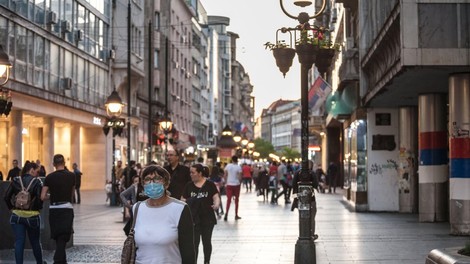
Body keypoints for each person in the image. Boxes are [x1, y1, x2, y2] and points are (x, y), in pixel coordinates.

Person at [133, 165, 196, 264]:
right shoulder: (137, 208)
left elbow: (188, 250)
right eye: (147, 179)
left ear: (166, 183)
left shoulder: (180, 208)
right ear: (143, 184)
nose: (152, 183)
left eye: (157, 179)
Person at [4, 161, 45, 264]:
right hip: (32, 217)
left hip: (16, 216)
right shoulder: (37, 182)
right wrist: (38, 208)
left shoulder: (16, 180)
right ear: (31, 170)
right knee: (35, 242)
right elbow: (40, 201)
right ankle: (40, 262)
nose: (38, 174)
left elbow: (6, 197)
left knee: (19, 242)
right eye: (37, 171)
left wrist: (12, 208)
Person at [41, 154, 75, 264]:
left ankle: (60, 261)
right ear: (64, 163)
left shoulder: (49, 177)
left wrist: (52, 195)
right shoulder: (71, 176)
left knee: (57, 236)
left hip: (54, 209)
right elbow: (72, 194)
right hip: (67, 208)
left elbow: (42, 196)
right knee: (64, 236)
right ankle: (58, 260)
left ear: (53, 164)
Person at [182, 164, 220, 264]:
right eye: (190, 172)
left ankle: (206, 261)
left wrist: (216, 205)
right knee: (194, 243)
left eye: (193, 172)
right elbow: (182, 199)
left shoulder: (210, 185)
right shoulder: (188, 185)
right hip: (193, 218)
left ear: (200, 173)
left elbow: (216, 197)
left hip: (208, 218)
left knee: (206, 242)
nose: (191, 174)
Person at [291, 160, 319, 240]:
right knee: (312, 217)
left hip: (300, 198)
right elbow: (316, 184)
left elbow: (293, 186)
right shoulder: (311, 173)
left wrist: (295, 198)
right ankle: (311, 234)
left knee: (302, 216)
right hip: (311, 198)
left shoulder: (297, 172)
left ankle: (303, 233)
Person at [223, 155, 242, 221]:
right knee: (237, 200)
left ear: (232, 159)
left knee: (229, 200)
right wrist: (239, 181)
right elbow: (239, 176)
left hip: (229, 184)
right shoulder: (238, 167)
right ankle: (236, 215)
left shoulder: (228, 166)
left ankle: (226, 213)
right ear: (237, 160)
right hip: (236, 184)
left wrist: (225, 182)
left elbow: (225, 175)